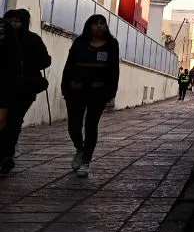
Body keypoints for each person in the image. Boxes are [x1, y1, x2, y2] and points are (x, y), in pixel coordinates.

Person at [61, 14, 120, 178]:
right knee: (74, 125)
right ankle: (80, 148)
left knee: (91, 125)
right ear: (89, 26)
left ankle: (86, 160)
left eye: (102, 23)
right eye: (96, 24)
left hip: (98, 92)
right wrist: (66, 86)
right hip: (76, 91)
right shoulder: (79, 43)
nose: (99, 26)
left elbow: (114, 70)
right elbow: (69, 66)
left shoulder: (111, 45)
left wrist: (111, 91)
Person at [0, 9, 52, 174]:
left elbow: (46, 60)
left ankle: (7, 154)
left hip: (24, 88)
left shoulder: (32, 39)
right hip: (4, 87)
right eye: (10, 21)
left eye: (17, 21)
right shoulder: (3, 39)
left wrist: (24, 64)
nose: (13, 25)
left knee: (14, 121)